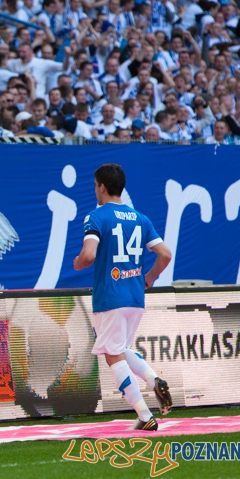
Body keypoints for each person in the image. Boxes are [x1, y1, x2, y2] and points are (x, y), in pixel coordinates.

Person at [73, 163, 173, 431]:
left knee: (111, 356)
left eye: (95, 185)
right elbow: (165, 254)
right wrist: (149, 278)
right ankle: (153, 379)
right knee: (120, 349)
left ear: (102, 187)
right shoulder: (141, 218)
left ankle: (144, 414)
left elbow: (89, 254)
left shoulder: (96, 217)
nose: (94, 190)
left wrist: (78, 263)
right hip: (135, 297)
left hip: (111, 297)